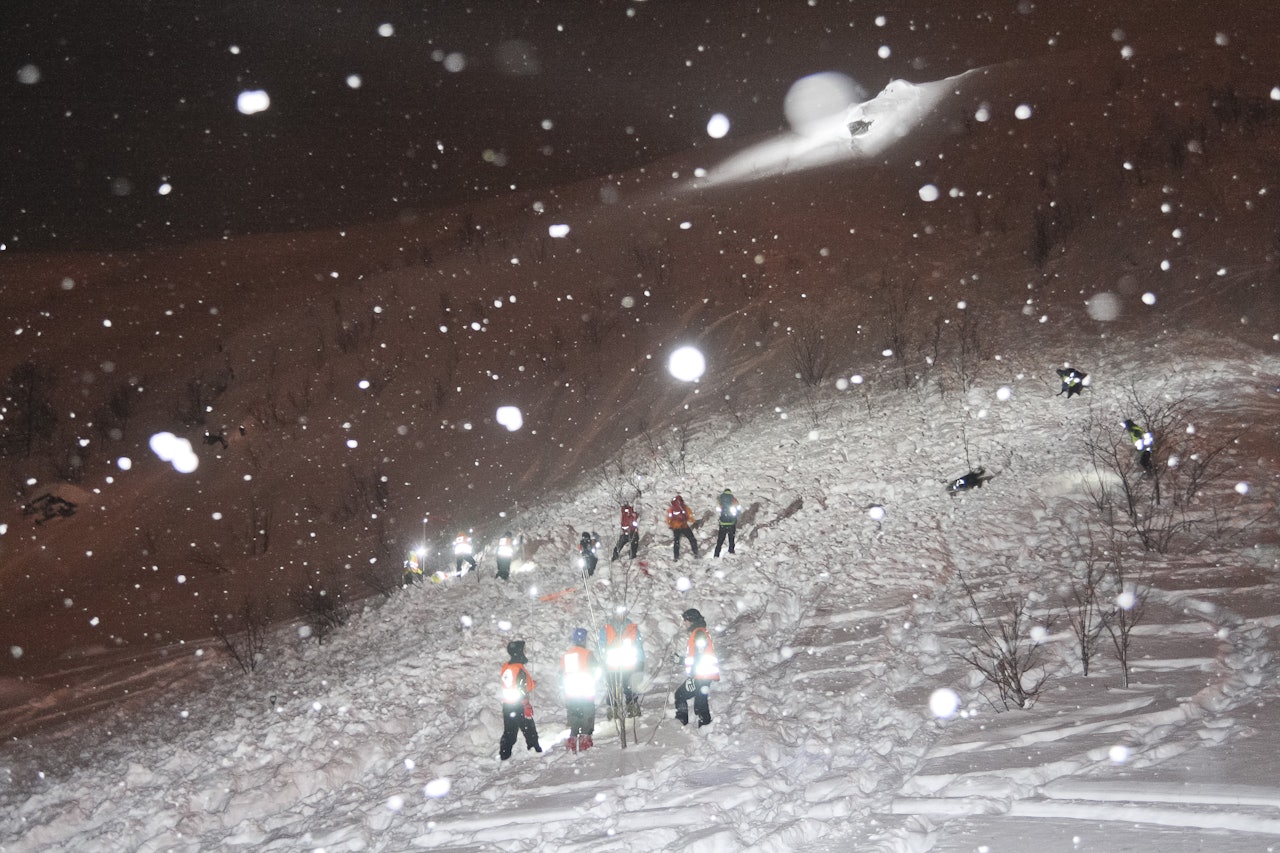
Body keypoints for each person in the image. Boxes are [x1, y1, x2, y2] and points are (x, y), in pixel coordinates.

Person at [674, 608, 719, 728]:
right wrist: (680, 661)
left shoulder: (699, 633)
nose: (684, 623)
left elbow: (699, 656)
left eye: (686, 620)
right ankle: (702, 726)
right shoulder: (699, 632)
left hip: (701, 675)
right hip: (702, 674)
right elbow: (695, 657)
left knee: (684, 697)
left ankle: (683, 724)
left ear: (691, 620)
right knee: (699, 701)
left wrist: (692, 676)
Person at [498, 640, 542, 760]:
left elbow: (513, 684)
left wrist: (530, 683)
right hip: (519, 705)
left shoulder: (507, 667)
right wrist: (526, 704)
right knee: (529, 729)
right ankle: (535, 751)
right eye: (523, 650)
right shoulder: (519, 669)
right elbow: (521, 688)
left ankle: (504, 754)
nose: (525, 652)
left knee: (509, 732)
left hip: (508, 705)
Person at [561, 627, 601, 752]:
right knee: (587, 713)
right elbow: (596, 669)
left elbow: (562, 672)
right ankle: (585, 738)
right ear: (584, 640)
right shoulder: (587, 654)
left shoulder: (567, 655)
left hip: (571, 690)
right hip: (585, 689)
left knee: (574, 713)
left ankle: (572, 738)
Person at [600, 612, 644, 719]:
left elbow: (638, 646)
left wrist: (640, 661)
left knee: (629, 687)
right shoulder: (606, 629)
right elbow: (601, 646)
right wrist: (603, 657)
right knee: (612, 688)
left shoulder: (632, 628)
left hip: (628, 665)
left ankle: (632, 707)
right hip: (612, 666)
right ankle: (613, 709)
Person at [666, 494, 698, 560]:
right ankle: (696, 553)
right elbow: (690, 516)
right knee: (692, 539)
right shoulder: (684, 507)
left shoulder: (672, 508)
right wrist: (694, 522)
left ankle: (676, 557)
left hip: (675, 527)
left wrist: (671, 525)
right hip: (684, 526)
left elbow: (668, 518)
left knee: (676, 542)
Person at [713, 488, 741, 557]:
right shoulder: (733, 499)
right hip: (731, 523)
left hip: (723, 523)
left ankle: (716, 555)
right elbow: (738, 509)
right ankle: (731, 552)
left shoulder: (720, 499)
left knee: (720, 540)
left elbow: (717, 509)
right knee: (731, 539)